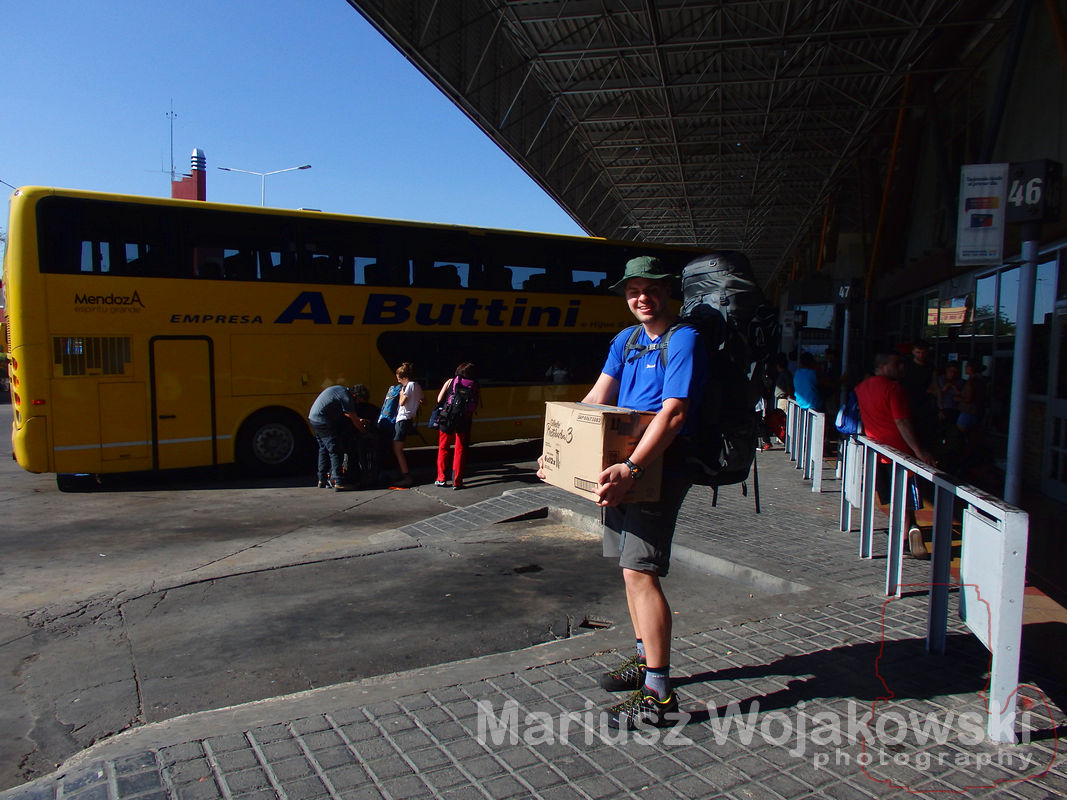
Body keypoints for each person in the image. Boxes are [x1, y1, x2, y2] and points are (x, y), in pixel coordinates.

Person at [538, 255, 706, 730]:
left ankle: (658, 694)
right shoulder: (627, 340)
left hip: (656, 468)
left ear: (668, 291)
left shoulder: (684, 338)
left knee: (640, 570)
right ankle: (644, 658)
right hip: (620, 466)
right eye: (633, 291)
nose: (641, 298)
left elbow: (674, 413)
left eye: (650, 289)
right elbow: (596, 400)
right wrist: (557, 452)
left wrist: (633, 468)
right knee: (628, 570)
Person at [854, 352, 938, 558]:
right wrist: (919, 451)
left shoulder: (861, 388)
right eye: (896, 363)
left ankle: (910, 531)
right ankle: (904, 540)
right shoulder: (893, 388)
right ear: (882, 366)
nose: (902, 367)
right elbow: (902, 421)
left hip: (878, 452)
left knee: (895, 498)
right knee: (905, 498)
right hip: (901, 454)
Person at [308, 384, 368, 491]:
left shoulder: (340, 390)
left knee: (323, 449)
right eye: (359, 401)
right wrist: (364, 431)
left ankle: (322, 479)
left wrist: (358, 419)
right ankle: (339, 482)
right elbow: (353, 418)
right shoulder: (347, 397)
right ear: (355, 395)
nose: (357, 403)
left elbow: (347, 413)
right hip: (323, 421)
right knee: (335, 450)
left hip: (313, 418)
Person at [434, 363, 480, 489]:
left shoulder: (450, 381)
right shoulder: (474, 384)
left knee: (443, 448)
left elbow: (439, 399)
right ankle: (457, 481)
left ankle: (441, 478)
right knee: (459, 450)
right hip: (463, 419)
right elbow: (475, 406)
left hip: (447, 418)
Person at [385, 362, 422, 487]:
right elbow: (423, 400)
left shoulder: (408, 386)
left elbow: (402, 402)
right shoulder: (417, 385)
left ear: (404, 377)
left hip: (403, 419)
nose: (398, 381)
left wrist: (401, 393)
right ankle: (403, 473)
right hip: (408, 418)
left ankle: (406, 475)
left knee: (397, 449)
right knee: (397, 448)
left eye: (399, 378)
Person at [900, 340, 937, 448]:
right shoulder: (906, 366)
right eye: (918, 352)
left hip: (923, 402)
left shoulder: (930, 367)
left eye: (923, 353)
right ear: (913, 352)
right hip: (907, 400)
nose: (921, 355)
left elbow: (934, 385)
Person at [348, 384, 383, 487]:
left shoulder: (352, 409)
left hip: (358, 437)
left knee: (357, 453)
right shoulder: (374, 408)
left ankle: (361, 476)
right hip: (373, 436)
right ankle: (373, 476)